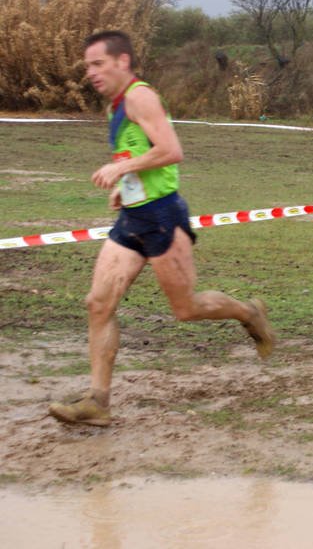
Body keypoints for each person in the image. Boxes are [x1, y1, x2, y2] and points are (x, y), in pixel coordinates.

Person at [49, 30, 274, 427]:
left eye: (97, 63)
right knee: (98, 303)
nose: (90, 73)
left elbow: (172, 150)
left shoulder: (140, 96)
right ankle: (98, 401)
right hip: (133, 217)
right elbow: (143, 155)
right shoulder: (116, 105)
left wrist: (120, 168)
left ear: (122, 62)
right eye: (87, 66)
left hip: (162, 217)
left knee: (186, 309)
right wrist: (125, 187)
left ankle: (249, 312)